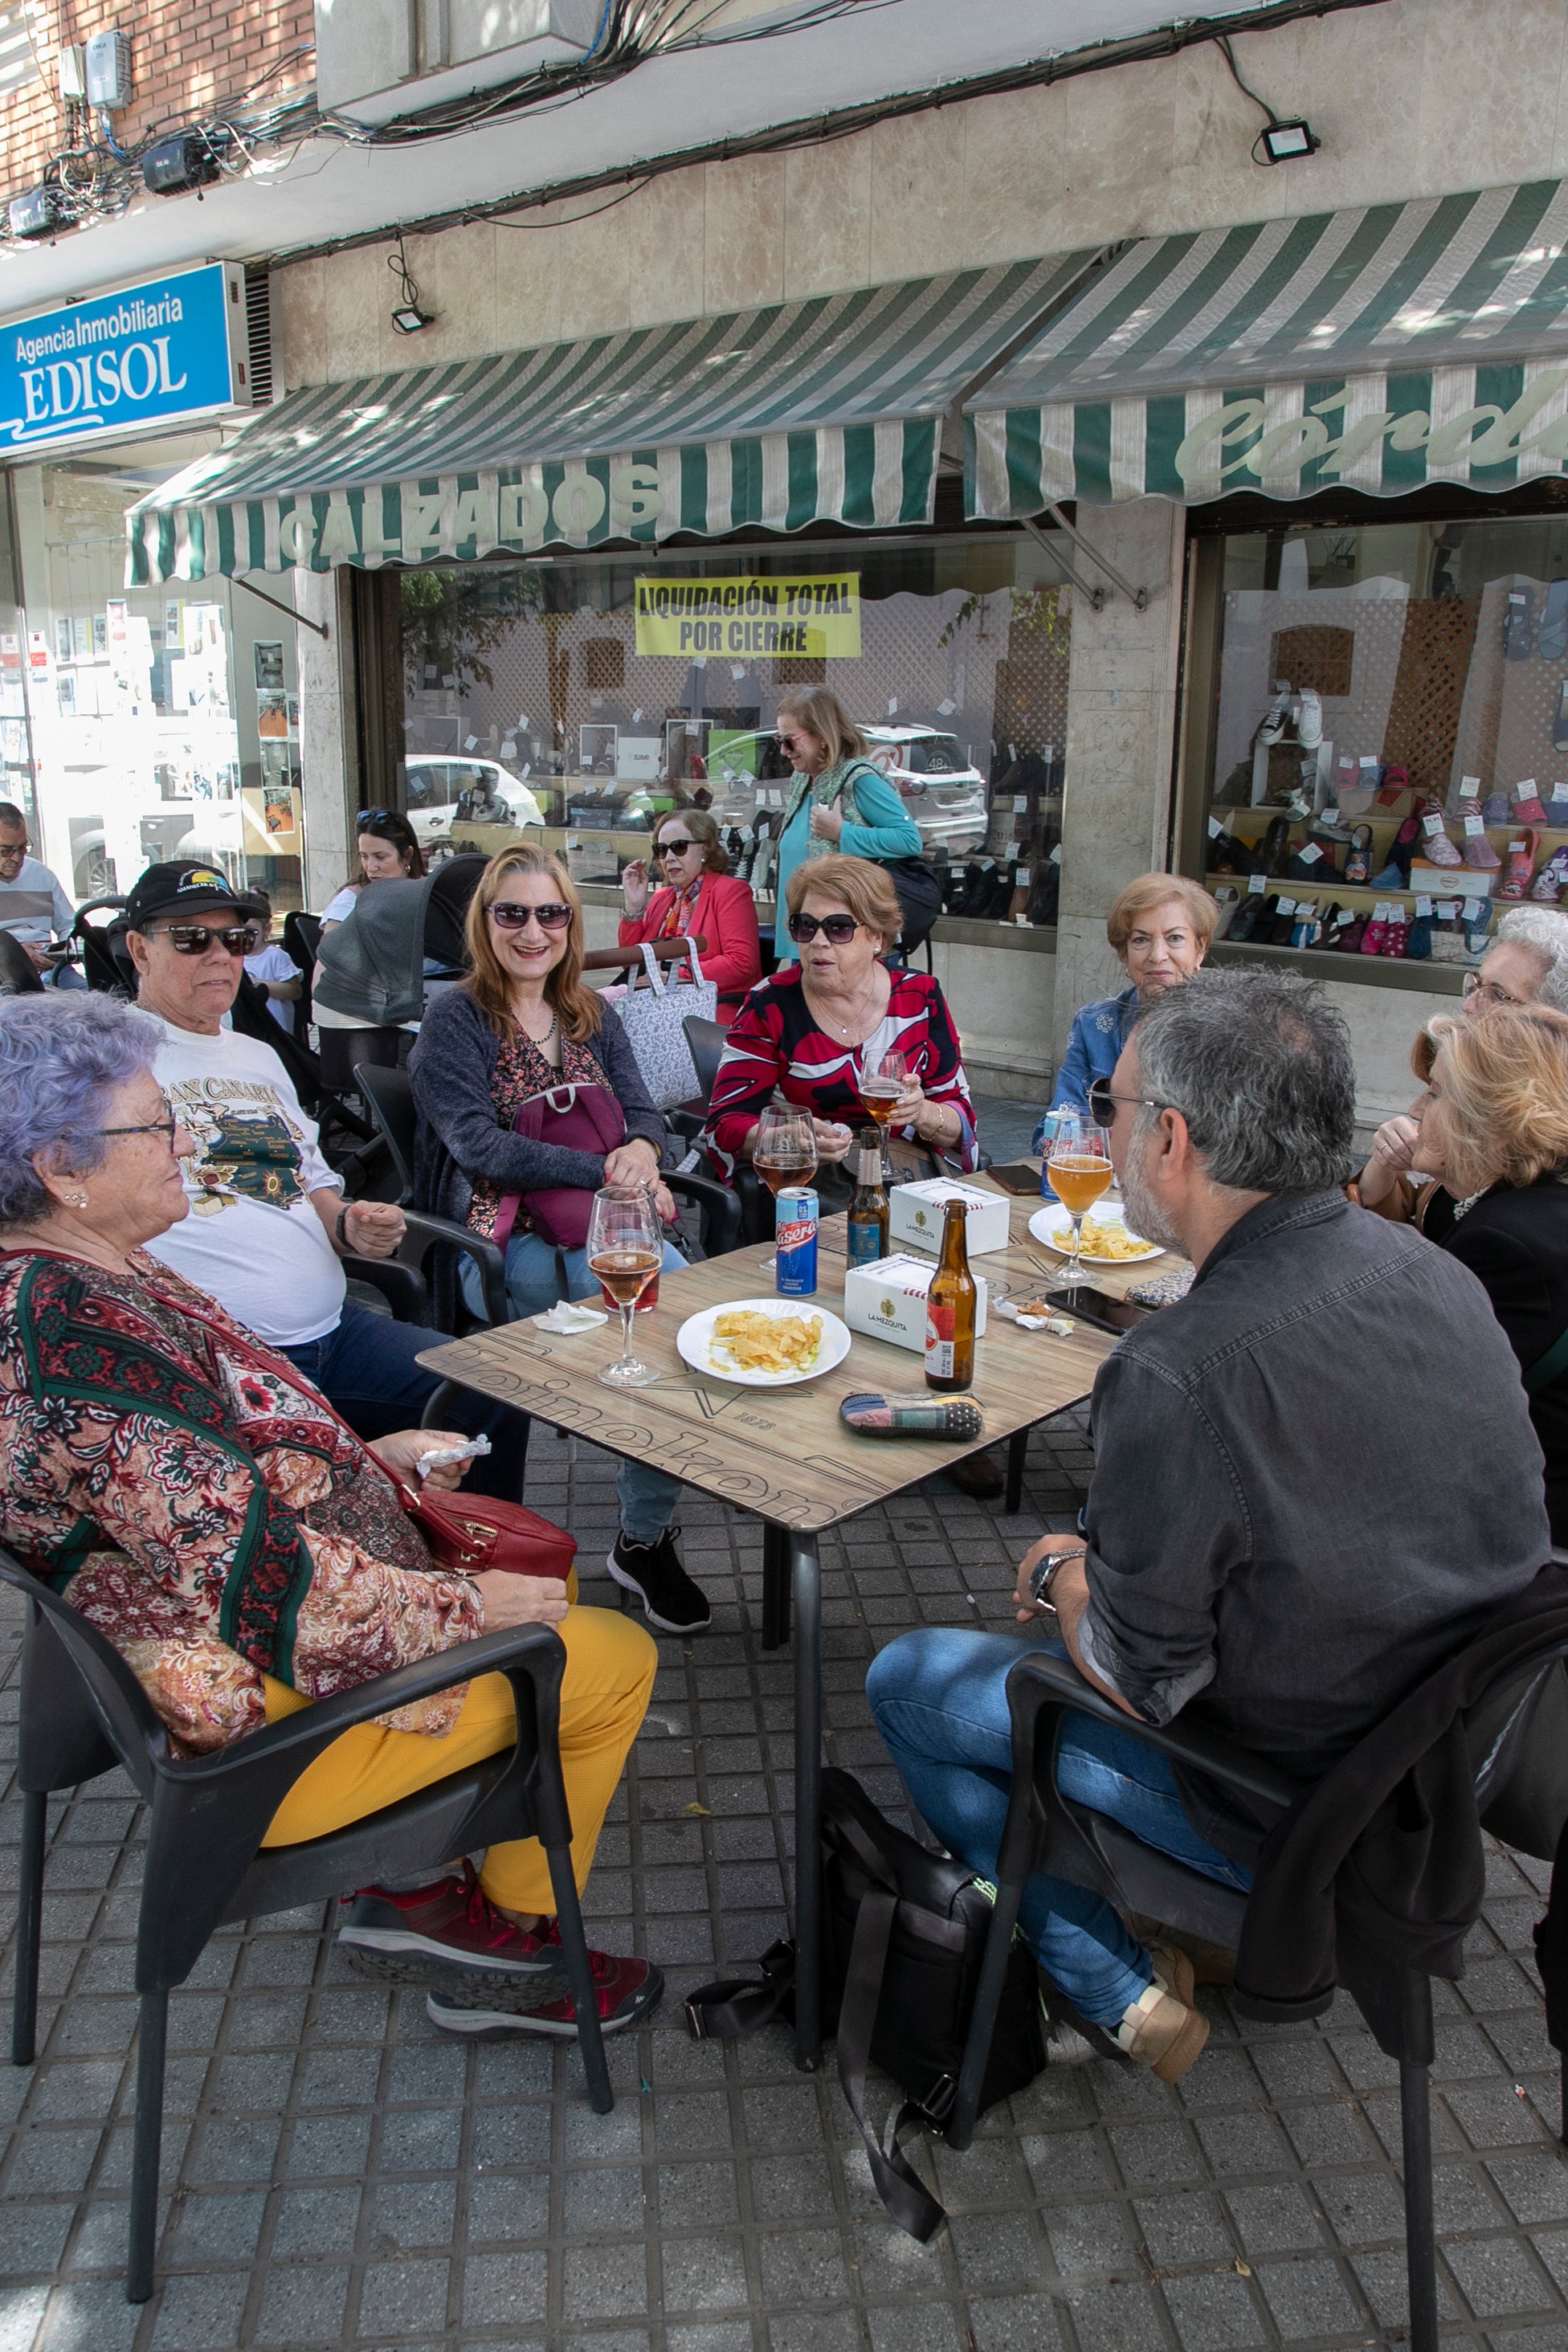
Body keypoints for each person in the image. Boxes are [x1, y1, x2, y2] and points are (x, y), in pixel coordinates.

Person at [868, 970, 1547, 2082]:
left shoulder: (1177, 1369)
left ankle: (1118, 1988)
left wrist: (1066, 1578)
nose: (1104, 1130)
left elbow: (1140, 1679)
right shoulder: (1438, 1273)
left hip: (1294, 1813)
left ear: (1172, 1139)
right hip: (1441, 1776)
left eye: (1113, 1107)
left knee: (907, 1683)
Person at [0, 993, 660, 2040]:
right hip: (269, 1737)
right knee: (608, 1654)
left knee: (541, 1579)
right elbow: (270, 1590)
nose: (188, 1143)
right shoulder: (75, 1339)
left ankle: (418, 1882)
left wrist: (364, 1460)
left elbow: (205, 1479)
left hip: (251, 1647)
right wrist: (465, 1611)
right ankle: (511, 1951)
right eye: (157, 1126)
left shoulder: (87, 1270)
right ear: (58, 1168)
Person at [116, 861, 532, 1505]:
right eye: (192, 938)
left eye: (238, 938)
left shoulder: (256, 1056)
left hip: (331, 1333)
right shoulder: (109, 1059)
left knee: (496, 1387)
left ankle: (482, 1551)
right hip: (218, 1359)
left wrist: (347, 1222)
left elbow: (306, 1181)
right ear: (140, 949)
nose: (221, 955)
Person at [410, 843, 709, 1636]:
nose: (532, 931)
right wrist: (606, 1174)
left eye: (550, 913)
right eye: (512, 913)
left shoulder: (590, 1011)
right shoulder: (456, 1018)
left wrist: (640, 1152)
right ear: (485, 923)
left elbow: (644, 1114)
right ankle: (646, 1535)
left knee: (665, 1323)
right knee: (658, 1328)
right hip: (497, 1243)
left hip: (602, 1223)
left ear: (571, 923)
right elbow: (478, 1147)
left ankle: (644, 1532)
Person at [1380, 1006, 1568, 1543]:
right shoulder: (1528, 1205)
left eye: (1436, 1094)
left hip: (1525, 1534)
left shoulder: (1507, 1243)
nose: (1416, 1109)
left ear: (1493, 1118)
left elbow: (1419, 1408)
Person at [703, 853, 978, 1203]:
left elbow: (961, 1122)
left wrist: (921, 1112)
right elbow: (723, 1125)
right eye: (805, 926)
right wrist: (788, 1138)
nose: (818, 941)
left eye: (838, 927)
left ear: (877, 936)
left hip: (908, 1186)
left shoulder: (920, 996)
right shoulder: (770, 1003)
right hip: (810, 1191)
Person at [1358, 904, 1568, 1233]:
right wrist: (1385, 1165)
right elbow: (1414, 1218)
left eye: (1497, 995)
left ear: (1549, 1024)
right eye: (1476, 984)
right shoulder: (1469, 1084)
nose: (1469, 1005)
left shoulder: (1546, 1139)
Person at [1031, 872, 1217, 1146]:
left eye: (1175, 938)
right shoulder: (1095, 1026)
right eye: (1141, 940)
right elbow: (1053, 1136)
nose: (1157, 955)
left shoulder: (1231, 1032)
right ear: (1124, 954)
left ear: (1199, 950)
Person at [771, 688, 924, 965]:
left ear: (822, 735)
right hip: (809, 935)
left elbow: (908, 840)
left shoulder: (860, 779)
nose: (783, 751)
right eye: (779, 741)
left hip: (848, 942)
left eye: (790, 741)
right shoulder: (803, 779)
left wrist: (842, 833)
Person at [619, 808, 762, 1024]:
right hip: (655, 1006)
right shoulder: (663, 897)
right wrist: (634, 906)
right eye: (662, 849)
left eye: (679, 847)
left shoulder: (730, 891)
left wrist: (676, 976)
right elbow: (630, 966)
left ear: (705, 848)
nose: (669, 858)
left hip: (710, 1011)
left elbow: (741, 962)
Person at [0, 802, 83, 988]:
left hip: (52, 970)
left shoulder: (41, 874)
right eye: (6, 851)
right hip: (4, 975)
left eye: (22, 849)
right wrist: (15, 956)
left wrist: (66, 948)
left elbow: (69, 927)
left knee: (97, 998)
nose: (16, 858)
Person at [320, 809, 427, 928]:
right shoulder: (349, 901)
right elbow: (332, 939)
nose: (371, 867)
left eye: (380, 857)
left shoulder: (429, 891)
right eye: (364, 856)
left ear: (408, 855)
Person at [242, 887, 303, 1035]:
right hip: (246, 1029)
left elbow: (295, 991)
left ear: (267, 929)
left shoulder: (275, 956)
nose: (244, 937)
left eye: (251, 931)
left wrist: (255, 983)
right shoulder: (232, 957)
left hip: (277, 1032)